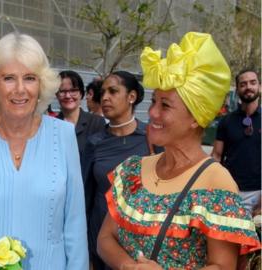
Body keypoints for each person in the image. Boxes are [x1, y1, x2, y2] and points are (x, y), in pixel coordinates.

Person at [98, 32, 260, 269]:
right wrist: (128, 266)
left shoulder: (216, 181)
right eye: (154, 101)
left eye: (165, 105)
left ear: (195, 118)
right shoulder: (133, 169)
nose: (152, 113)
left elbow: (223, 266)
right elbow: (105, 238)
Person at [0, 32, 89, 269]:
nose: (20, 89)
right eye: (9, 78)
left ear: (42, 84)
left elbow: (75, 225)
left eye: (30, 78)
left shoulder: (63, 135)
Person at [82, 71, 155, 270]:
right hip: (100, 238)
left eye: (113, 91)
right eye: (103, 92)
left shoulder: (151, 139)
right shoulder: (94, 143)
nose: (105, 97)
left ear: (131, 97)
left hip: (141, 240)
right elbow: (85, 198)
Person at [212, 69, 261, 214]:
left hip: (258, 192)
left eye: (253, 82)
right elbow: (216, 156)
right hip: (229, 191)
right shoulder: (226, 121)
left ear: (260, 86)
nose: (248, 87)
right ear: (238, 89)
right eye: (243, 84)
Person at [56, 70, 105, 156]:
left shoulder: (96, 122)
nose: (68, 96)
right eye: (63, 91)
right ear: (56, 94)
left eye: (73, 91)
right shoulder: (52, 125)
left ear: (81, 94)